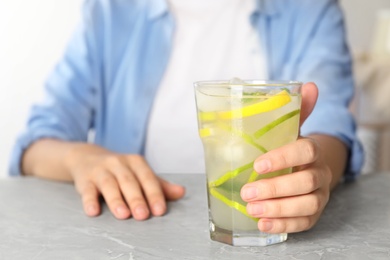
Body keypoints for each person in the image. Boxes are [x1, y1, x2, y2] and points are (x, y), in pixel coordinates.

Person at [9, 0, 363, 235]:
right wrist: (80, 158)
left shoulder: (309, 9)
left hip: (262, 229)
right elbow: (34, 145)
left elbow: (331, 130)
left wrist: (314, 170)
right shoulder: (111, 11)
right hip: (132, 230)